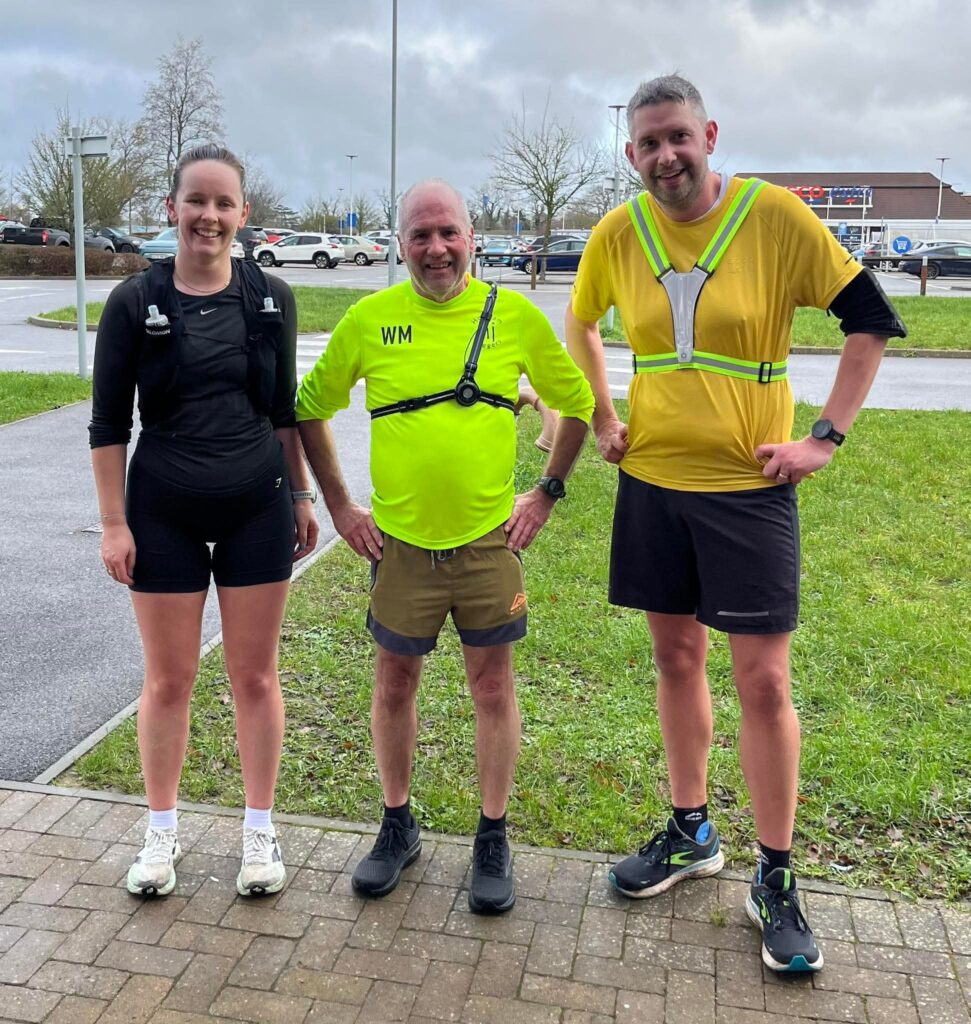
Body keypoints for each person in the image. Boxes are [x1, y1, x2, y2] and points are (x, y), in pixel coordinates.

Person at [566, 75, 905, 972]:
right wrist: (603, 418)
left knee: (761, 683)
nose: (663, 156)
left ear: (707, 134)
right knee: (674, 658)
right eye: (645, 144)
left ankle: (775, 876)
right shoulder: (617, 232)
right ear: (630, 153)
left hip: (747, 491)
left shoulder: (772, 218)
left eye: (677, 136)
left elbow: (868, 318)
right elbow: (581, 322)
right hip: (652, 484)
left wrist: (823, 437)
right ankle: (690, 832)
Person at [296, 179, 594, 914]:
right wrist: (338, 505)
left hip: (488, 544)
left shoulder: (513, 317)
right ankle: (397, 825)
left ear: (472, 237)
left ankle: (491, 835)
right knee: (394, 685)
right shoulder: (369, 319)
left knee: (491, 687)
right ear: (400, 244)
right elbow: (308, 410)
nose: (436, 249)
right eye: (420, 236)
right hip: (397, 547)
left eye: (448, 233)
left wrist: (545, 494)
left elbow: (580, 405)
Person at [89, 144, 319, 899]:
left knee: (254, 675)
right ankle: (161, 835)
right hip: (163, 512)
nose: (209, 217)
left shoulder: (271, 298)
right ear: (172, 208)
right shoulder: (133, 302)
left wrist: (300, 496)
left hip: (255, 506)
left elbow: (284, 411)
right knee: (169, 679)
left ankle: (259, 833)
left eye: (224, 204)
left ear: (243, 215)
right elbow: (106, 426)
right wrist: (115, 524)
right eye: (197, 201)